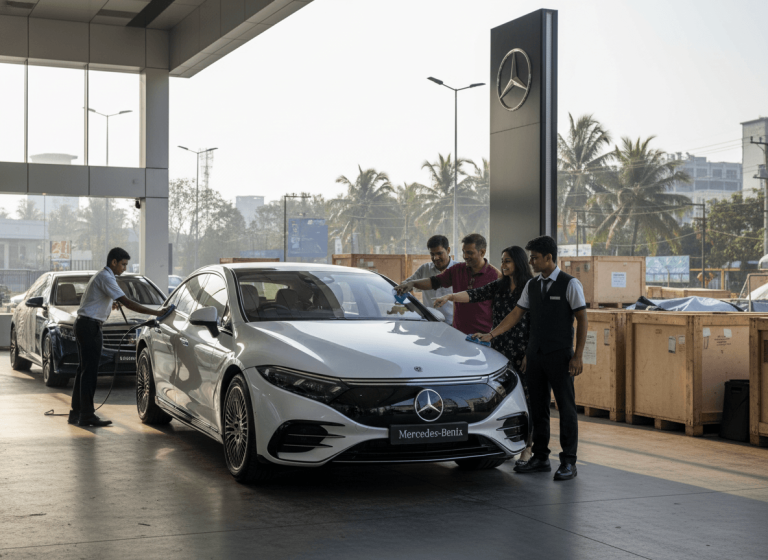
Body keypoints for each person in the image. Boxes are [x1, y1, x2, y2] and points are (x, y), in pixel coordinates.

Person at [473, 235, 587, 481]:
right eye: (531, 257)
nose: (532, 262)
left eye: (535, 257)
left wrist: (578, 356)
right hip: (535, 356)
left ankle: (568, 462)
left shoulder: (570, 284)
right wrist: (491, 335)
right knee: (538, 408)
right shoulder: (532, 285)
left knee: (566, 409)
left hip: (561, 356)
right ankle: (540, 457)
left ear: (549, 257)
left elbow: (583, 319)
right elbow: (516, 314)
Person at [433, 245, 534, 464]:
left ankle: (528, 446)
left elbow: (535, 323)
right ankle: (507, 441)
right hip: (500, 349)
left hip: (522, 350)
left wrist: (529, 352)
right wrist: (449, 296)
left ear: (519, 262)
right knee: (503, 398)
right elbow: (474, 294)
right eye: (502, 260)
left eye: (508, 261)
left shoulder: (529, 287)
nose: (504, 265)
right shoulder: (500, 285)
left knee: (526, 400)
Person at [69, 247, 168, 427]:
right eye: (122, 264)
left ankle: (76, 413)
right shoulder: (107, 277)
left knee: (83, 371)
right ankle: (86, 415)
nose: (124, 268)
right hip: (90, 327)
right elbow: (128, 302)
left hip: (84, 324)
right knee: (89, 373)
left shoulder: (102, 276)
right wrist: (157, 312)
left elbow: (96, 300)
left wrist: (109, 305)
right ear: (113, 262)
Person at [395, 233, 500, 335]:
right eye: (463, 252)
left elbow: (502, 310)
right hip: (458, 333)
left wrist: (492, 335)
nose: (465, 256)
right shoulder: (457, 270)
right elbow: (435, 281)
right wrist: (412, 283)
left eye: (469, 253)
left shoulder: (496, 276)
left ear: (482, 252)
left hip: (483, 336)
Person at [402, 235, 457, 324]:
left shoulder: (459, 269)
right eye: (432, 254)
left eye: (439, 253)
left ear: (448, 250)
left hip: (454, 324)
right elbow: (407, 284)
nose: (435, 258)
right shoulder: (424, 269)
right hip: (430, 323)